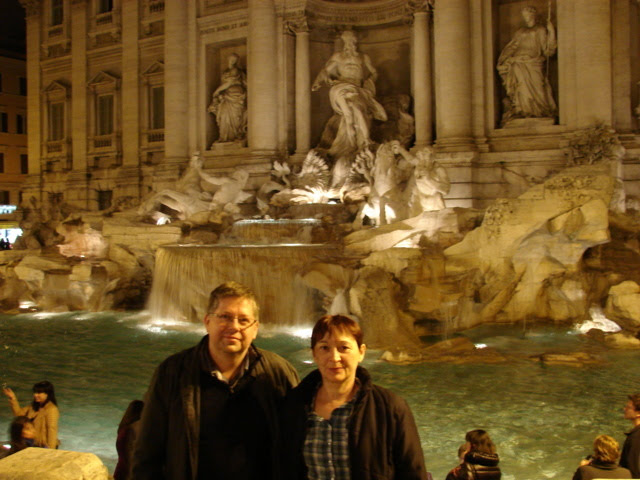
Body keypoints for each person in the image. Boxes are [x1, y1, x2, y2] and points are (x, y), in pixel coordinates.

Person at [132, 281, 300, 480]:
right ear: (207, 322)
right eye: (225, 317)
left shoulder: (278, 373)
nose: (234, 326)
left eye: (244, 320)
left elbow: (297, 443)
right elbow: (148, 450)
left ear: (255, 329)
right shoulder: (173, 372)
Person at [280, 314, 428, 480]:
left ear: (361, 352)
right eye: (324, 348)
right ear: (314, 354)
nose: (334, 357)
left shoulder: (390, 407)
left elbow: (413, 471)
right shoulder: (294, 405)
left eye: (344, 348)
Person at [312, 30, 387, 163]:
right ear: (344, 42)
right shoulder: (338, 56)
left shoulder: (363, 57)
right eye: (347, 41)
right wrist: (318, 81)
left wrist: (369, 83)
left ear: (355, 42)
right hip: (341, 86)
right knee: (350, 110)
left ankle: (360, 140)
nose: (350, 44)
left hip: (358, 89)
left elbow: (374, 72)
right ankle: (363, 139)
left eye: (352, 41)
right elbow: (325, 70)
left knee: (355, 107)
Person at [496, 6, 557, 126]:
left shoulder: (540, 29)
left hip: (534, 62)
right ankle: (522, 110)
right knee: (521, 86)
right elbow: (512, 46)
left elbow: (547, 50)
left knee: (538, 86)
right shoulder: (520, 32)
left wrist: (552, 32)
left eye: (528, 14)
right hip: (518, 62)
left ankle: (539, 112)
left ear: (533, 15)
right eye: (524, 15)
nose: (526, 17)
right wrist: (504, 59)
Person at [2, 381, 59, 449]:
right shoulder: (33, 407)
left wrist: (51, 450)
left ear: (47, 394)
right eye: (35, 392)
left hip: (42, 445)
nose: (35, 395)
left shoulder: (52, 409)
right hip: (32, 443)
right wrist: (12, 398)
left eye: (39, 393)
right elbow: (19, 414)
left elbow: (51, 430)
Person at [208, 53, 247, 143]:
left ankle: (235, 135)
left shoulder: (235, 70)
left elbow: (228, 83)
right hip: (227, 95)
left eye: (234, 60)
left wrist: (216, 91)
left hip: (235, 94)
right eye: (231, 59)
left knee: (235, 117)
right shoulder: (226, 71)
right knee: (224, 115)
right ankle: (225, 137)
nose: (232, 61)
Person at [113, 399, 144, 480]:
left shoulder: (123, 428)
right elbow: (132, 454)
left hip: (120, 469)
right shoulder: (134, 428)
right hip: (128, 470)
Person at [620, 393, 640, 477]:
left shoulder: (636, 437)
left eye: (628, 407)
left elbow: (633, 469)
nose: (624, 409)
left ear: (638, 413)